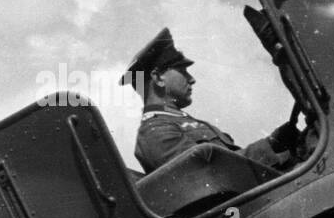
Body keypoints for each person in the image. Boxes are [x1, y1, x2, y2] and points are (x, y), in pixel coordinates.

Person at [121, 28, 299, 173]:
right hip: (233, 214)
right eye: (183, 71)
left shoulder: (176, 122)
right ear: (158, 78)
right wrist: (268, 146)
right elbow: (214, 174)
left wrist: (274, 142)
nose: (191, 79)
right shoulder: (156, 132)